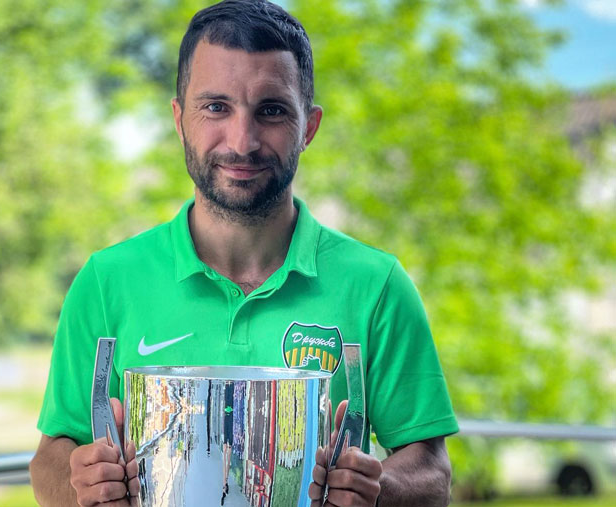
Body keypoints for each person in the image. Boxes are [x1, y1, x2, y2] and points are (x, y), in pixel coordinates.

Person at [29, 1, 459, 505]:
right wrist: (80, 482)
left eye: (271, 111)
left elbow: (432, 470)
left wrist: (377, 488)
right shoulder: (107, 281)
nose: (243, 141)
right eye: (216, 107)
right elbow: (49, 460)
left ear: (309, 127)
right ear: (179, 119)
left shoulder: (377, 284)